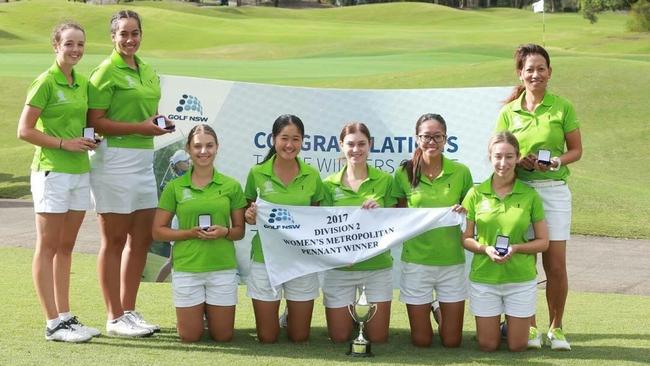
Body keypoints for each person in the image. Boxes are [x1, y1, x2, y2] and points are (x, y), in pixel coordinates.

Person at [87, 10, 172, 337]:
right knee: (114, 240)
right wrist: (142, 127)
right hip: (114, 161)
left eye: (134, 33)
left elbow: (148, 114)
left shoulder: (148, 71)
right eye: (123, 34)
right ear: (113, 37)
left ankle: (129, 310)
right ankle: (113, 316)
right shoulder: (105, 72)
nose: (129, 39)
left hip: (142, 161)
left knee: (141, 239)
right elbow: (96, 122)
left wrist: (158, 124)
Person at [495, 43, 582, 350]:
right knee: (523, 264)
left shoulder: (562, 107)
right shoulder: (509, 111)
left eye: (541, 68)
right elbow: (498, 151)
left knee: (555, 265)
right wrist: (518, 161)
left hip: (554, 192)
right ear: (520, 73)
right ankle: (528, 327)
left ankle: (556, 328)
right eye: (529, 69)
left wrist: (556, 161)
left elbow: (576, 150)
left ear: (550, 71)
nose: (535, 74)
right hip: (519, 192)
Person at [17, 22, 99, 343]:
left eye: (80, 44)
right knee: (48, 247)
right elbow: (24, 130)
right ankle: (52, 323)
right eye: (69, 44)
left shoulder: (80, 82)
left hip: (80, 171)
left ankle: (65, 317)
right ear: (56, 45)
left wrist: (89, 139)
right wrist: (65, 144)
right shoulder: (45, 81)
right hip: (52, 171)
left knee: (66, 247)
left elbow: (80, 125)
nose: (75, 50)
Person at [152, 124, 246, 343]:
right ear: (189, 149)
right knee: (190, 336)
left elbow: (239, 231)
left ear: (217, 147)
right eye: (198, 146)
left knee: (223, 336)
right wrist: (189, 233)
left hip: (222, 268)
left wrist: (224, 232)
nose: (204, 151)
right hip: (188, 269)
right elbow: (158, 231)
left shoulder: (231, 186)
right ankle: (196, 314)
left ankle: (205, 312)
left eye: (209, 146)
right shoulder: (174, 187)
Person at [461, 131, 549, 352]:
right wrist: (486, 248)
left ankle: (509, 324)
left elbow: (543, 242)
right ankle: (499, 327)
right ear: (490, 157)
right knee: (487, 345)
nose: (503, 163)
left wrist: (517, 248)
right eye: (498, 156)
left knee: (517, 346)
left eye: (509, 157)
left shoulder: (530, 195)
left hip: (520, 278)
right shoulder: (475, 194)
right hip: (485, 278)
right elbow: (466, 239)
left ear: (517, 157)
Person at [391, 113, 472, 348]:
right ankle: (430, 305)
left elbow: (472, 210)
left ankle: (437, 307)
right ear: (417, 138)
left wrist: (465, 209)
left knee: (452, 341)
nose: (432, 142)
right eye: (426, 137)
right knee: (422, 341)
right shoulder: (403, 173)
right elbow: (397, 214)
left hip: (452, 261)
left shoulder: (461, 172)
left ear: (446, 139)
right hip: (417, 262)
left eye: (438, 137)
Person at [244, 114, 324, 343]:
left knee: (299, 337)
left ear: (302, 141)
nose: (289, 145)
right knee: (267, 337)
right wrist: (248, 215)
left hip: (301, 259)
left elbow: (317, 216)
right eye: (284, 138)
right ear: (274, 139)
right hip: (265, 259)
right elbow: (246, 211)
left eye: (296, 139)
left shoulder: (312, 175)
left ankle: (289, 316)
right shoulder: (257, 173)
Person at [321, 122, 396, 343]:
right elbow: (321, 229)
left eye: (362, 144)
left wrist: (380, 213)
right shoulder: (327, 185)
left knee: (378, 338)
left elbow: (395, 223)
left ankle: (357, 317)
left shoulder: (385, 181)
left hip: (376, 268)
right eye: (351, 144)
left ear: (370, 144)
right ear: (341, 145)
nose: (356, 150)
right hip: (339, 270)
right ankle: (349, 317)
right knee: (339, 337)